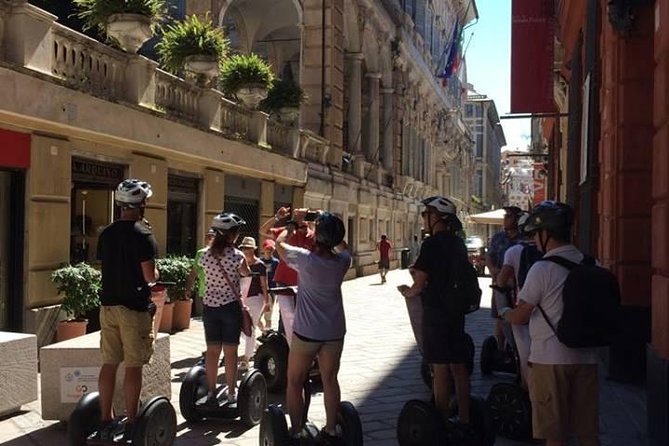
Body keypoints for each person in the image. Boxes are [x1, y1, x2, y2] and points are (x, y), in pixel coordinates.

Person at [499, 201, 599, 446]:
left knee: (555, 433)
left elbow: (521, 314)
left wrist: (504, 312)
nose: (534, 239)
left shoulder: (541, 269)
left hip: (549, 360)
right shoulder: (591, 263)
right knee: (588, 433)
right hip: (587, 358)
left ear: (546, 234)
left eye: (536, 234)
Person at [274, 210, 351, 444]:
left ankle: (297, 430)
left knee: (295, 379)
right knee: (330, 379)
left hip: (307, 331)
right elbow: (344, 247)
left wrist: (292, 223)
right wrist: (328, 226)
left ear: (316, 236)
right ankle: (331, 429)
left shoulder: (305, 260)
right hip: (334, 331)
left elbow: (279, 245)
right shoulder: (342, 262)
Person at [397, 196, 472, 434]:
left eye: (426, 215)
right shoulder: (458, 244)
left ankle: (441, 421)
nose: (424, 219)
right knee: (459, 365)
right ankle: (466, 417)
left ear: (436, 217)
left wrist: (407, 292)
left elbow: (419, 283)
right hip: (456, 312)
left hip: (436, 313)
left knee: (439, 367)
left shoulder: (431, 244)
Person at [95, 179, 158, 440]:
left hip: (108, 307)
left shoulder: (106, 233)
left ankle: (106, 419)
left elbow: (105, 267)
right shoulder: (143, 234)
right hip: (133, 308)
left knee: (109, 363)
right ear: (141, 204)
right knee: (133, 365)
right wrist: (157, 273)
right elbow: (149, 276)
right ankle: (132, 422)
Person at [199, 212, 251, 406]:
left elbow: (201, 271)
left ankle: (211, 392)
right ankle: (231, 393)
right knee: (231, 352)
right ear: (230, 235)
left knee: (212, 352)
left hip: (210, 308)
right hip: (230, 308)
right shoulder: (237, 255)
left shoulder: (204, 255)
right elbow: (245, 272)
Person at [494, 212, 539, 388]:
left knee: (525, 354)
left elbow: (501, 281)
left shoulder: (514, 251)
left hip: (522, 307)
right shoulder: (549, 250)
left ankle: (525, 390)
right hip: (549, 311)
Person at [260, 206, 315, 346]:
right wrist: (277, 217)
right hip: (284, 280)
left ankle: (300, 344)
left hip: (304, 282)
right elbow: (263, 231)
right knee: (285, 315)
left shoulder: (313, 236)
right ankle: (283, 345)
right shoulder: (288, 231)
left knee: (302, 314)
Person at [486, 206, 523, 349]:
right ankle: (500, 349)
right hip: (500, 285)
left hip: (518, 285)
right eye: (505, 216)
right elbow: (490, 256)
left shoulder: (523, 238)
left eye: (509, 217)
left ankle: (517, 348)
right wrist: (493, 270)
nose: (505, 219)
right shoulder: (498, 237)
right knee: (500, 317)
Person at [238, 236, 270, 371]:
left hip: (256, 298)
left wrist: (267, 302)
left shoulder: (260, 265)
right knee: (239, 328)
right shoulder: (239, 263)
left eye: (248, 248)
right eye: (244, 248)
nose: (246, 250)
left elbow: (264, 284)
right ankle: (256, 346)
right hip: (242, 298)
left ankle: (246, 359)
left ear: (253, 249)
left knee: (250, 328)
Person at [185, 228, 216, 313]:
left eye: (212, 236)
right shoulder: (201, 253)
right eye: (208, 236)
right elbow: (194, 272)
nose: (210, 238)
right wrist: (188, 288)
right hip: (205, 290)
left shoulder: (224, 252)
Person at [260, 238, 280, 330]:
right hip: (259, 291)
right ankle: (263, 330)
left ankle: (267, 334)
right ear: (263, 249)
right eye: (267, 248)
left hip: (271, 291)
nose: (269, 251)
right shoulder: (259, 262)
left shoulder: (276, 262)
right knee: (257, 315)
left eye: (271, 249)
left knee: (268, 315)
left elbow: (278, 277)